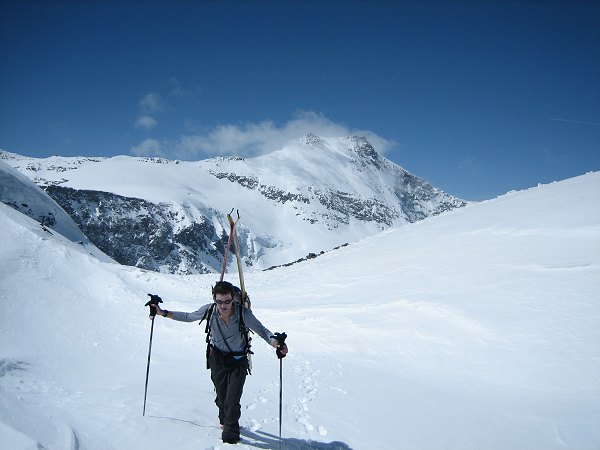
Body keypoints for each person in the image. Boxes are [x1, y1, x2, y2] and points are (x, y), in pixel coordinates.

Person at [151, 280, 288, 444]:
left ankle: (230, 438)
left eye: (227, 301)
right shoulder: (209, 310)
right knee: (222, 398)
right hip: (217, 360)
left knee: (232, 400)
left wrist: (276, 343)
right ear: (214, 299)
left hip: (238, 362)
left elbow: (262, 331)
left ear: (233, 299)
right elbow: (188, 317)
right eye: (219, 301)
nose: (223, 306)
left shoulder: (243, 313)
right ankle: (224, 419)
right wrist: (162, 312)